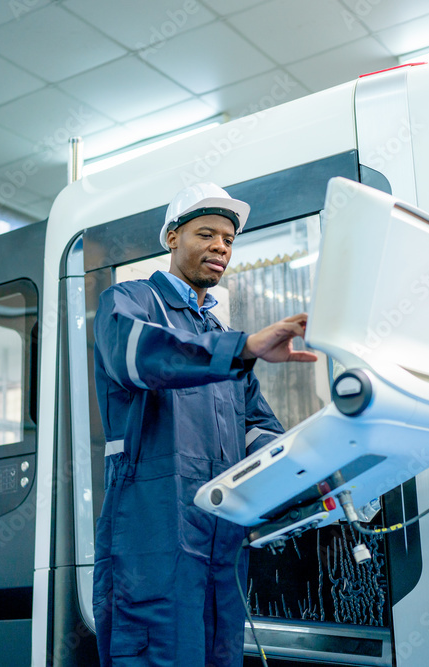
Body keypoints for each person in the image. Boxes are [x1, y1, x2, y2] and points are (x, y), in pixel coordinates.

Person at [92, 182, 317, 666]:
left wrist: (317, 469)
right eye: (206, 233)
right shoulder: (130, 302)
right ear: (172, 237)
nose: (221, 246)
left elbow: (258, 432)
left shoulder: (221, 337)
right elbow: (138, 357)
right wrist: (245, 349)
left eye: (229, 240)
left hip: (220, 538)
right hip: (152, 531)